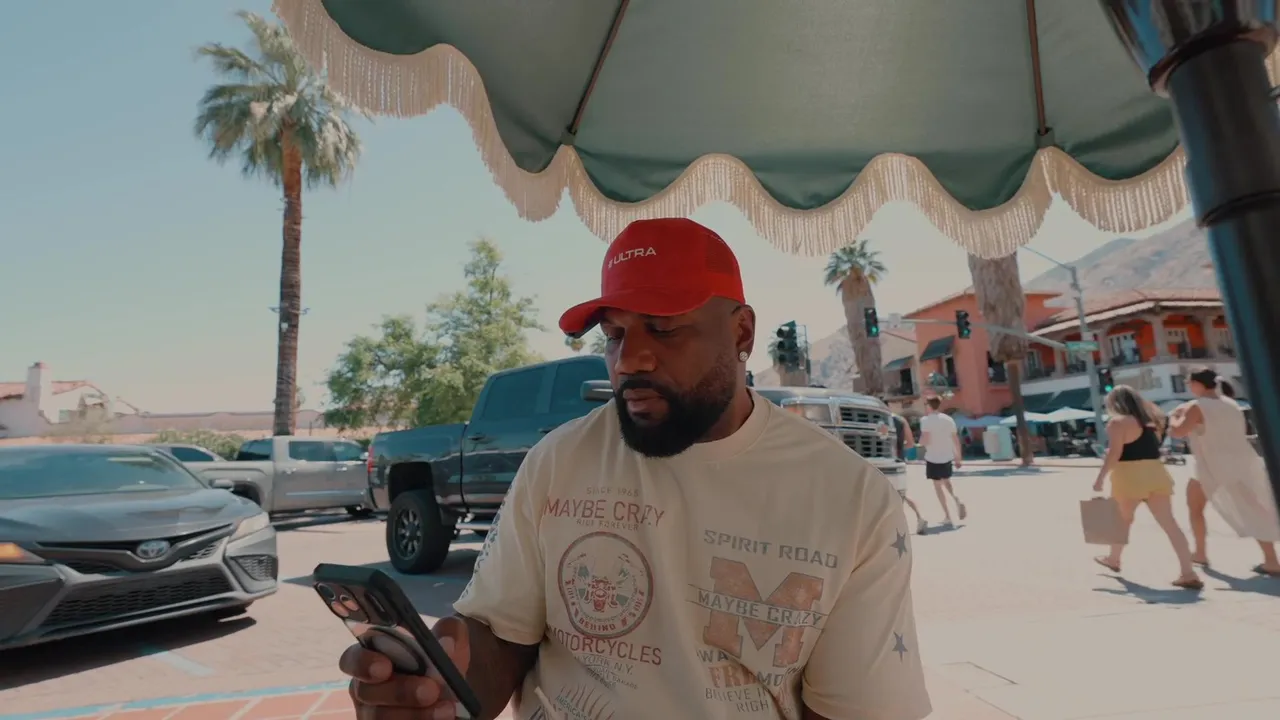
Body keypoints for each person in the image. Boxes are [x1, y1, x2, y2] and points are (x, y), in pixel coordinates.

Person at [339, 218, 931, 720]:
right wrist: (441, 682)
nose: (631, 359)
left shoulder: (851, 499)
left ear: (742, 332)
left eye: (664, 329)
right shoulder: (560, 461)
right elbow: (502, 639)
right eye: (615, 335)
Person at [1171, 368, 1280, 575]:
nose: (1189, 387)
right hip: (1239, 463)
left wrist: (1175, 417)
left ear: (1198, 384)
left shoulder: (1196, 406)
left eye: (1189, 383)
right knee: (1253, 510)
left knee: (1195, 509)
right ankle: (1271, 559)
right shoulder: (1232, 404)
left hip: (1209, 465)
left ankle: (1200, 553)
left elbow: (1178, 432)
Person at [1092, 385, 1202, 589]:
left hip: (1129, 475)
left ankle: (1114, 559)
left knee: (1122, 521)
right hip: (1156, 473)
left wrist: (1100, 478)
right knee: (1170, 525)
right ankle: (1188, 572)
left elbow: (1115, 454)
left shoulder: (1117, 423)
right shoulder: (1151, 423)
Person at [918, 396, 966, 525]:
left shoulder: (925, 420)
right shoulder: (948, 419)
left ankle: (947, 516)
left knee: (938, 487)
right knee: (947, 481)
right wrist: (958, 457)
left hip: (933, 457)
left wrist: (920, 442)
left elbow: (925, 439)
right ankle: (956, 499)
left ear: (929, 405)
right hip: (947, 456)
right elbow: (955, 439)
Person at [889, 409, 929, 535]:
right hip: (899, 460)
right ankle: (919, 517)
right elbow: (911, 444)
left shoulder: (877, 417)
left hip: (882, 460)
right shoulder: (901, 420)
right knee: (901, 492)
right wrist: (900, 448)